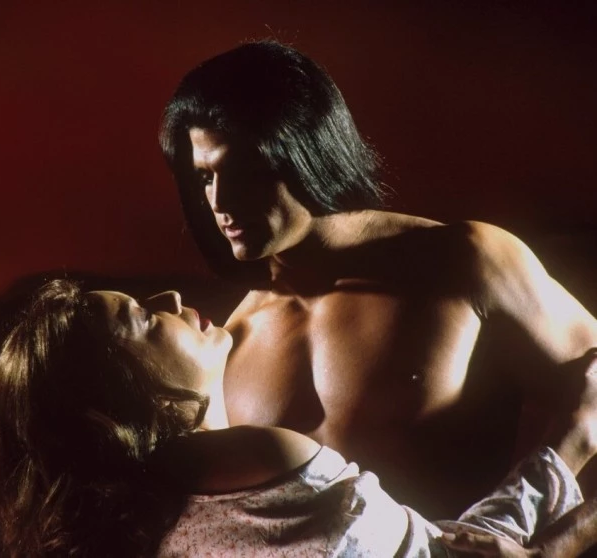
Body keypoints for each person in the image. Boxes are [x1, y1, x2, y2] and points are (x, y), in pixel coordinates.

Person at [158, 40, 597, 525]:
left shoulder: (465, 262)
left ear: (306, 152)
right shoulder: (230, 337)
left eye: (244, 170)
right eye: (205, 177)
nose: (220, 201)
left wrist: (553, 548)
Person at [0, 279, 590, 557]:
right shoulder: (263, 462)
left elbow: (437, 548)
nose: (170, 298)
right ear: (115, 402)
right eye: (143, 319)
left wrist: (567, 443)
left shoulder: (162, 524)